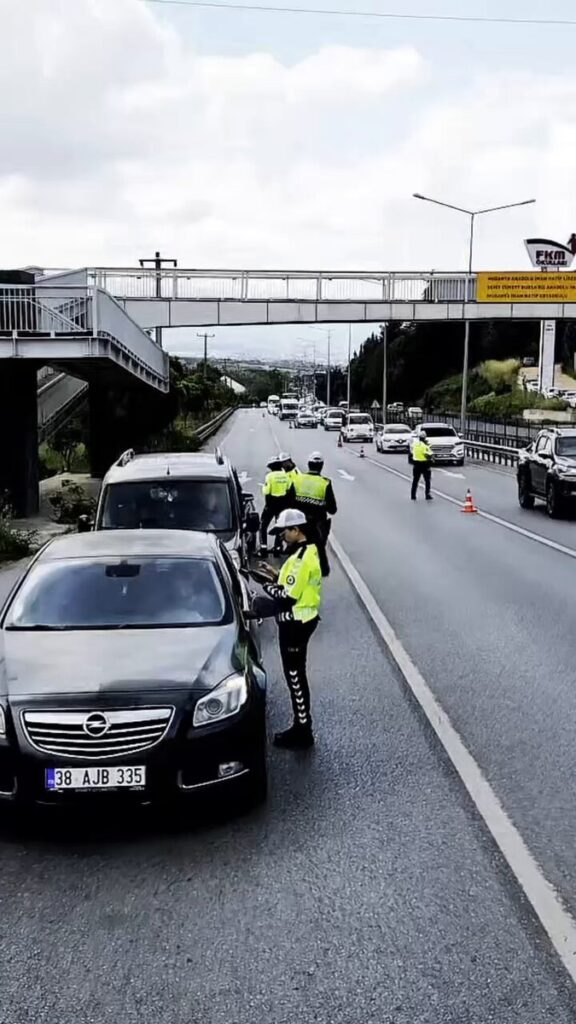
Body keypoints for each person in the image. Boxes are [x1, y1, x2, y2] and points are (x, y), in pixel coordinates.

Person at [250, 509, 325, 749]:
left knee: (295, 677)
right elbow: (292, 583)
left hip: (296, 624)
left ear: (297, 530)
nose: (281, 535)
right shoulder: (304, 552)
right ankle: (301, 725)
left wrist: (265, 584)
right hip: (300, 621)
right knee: (295, 676)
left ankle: (303, 730)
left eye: (284, 531)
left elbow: (287, 597)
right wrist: (276, 576)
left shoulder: (303, 558)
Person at [290, 451, 337, 546]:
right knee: (319, 553)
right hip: (318, 526)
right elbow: (332, 509)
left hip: (299, 524)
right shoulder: (325, 483)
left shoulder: (297, 480)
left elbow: (289, 502)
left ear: (308, 464)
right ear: (322, 466)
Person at [260, 455, 291, 555]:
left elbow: (266, 491)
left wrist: (263, 488)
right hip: (283, 505)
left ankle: (263, 549)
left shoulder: (269, 476)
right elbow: (289, 489)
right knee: (280, 526)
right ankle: (278, 548)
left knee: (263, 525)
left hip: (271, 504)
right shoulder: (286, 476)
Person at [411, 429, 434, 501]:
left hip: (416, 464)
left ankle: (413, 495)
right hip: (424, 464)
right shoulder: (425, 446)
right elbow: (429, 455)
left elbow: (412, 452)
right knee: (427, 481)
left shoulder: (415, 445)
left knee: (415, 480)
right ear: (425, 438)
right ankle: (427, 495)